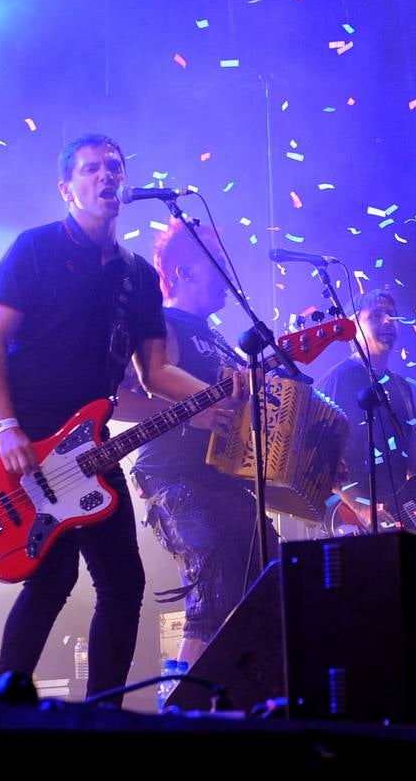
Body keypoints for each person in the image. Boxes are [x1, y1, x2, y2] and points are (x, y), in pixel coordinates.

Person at [0, 134, 232, 705]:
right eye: (92, 169)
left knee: (123, 583)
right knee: (53, 577)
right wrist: (8, 428)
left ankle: (104, 715)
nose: (106, 176)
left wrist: (222, 394)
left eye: (114, 167)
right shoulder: (35, 249)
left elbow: (156, 373)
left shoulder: (137, 277)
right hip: (31, 436)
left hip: (89, 442)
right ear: (67, 188)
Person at [116, 219, 279, 669]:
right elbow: (117, 398)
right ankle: (179, 715)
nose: (229, 274)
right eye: (218, 263)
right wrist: (193, 411)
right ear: (184, 271)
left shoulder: (218, 338)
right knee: (214, 601)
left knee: (275, 586)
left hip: (226, 482)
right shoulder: (162, 324)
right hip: (177, 480)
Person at [317, 289, 416, 533]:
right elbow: (322, 457)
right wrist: (362, 509)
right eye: (376, 315)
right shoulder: (339, 380)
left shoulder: (400, 386)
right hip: (351, 521)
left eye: (391, 314)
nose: (388, 320)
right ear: (352, 327)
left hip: (397, 517)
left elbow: (415, 461)